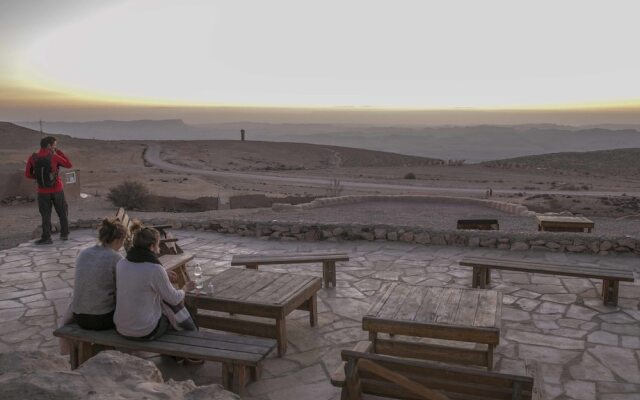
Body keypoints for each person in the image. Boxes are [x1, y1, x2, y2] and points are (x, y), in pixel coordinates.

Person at [114, 223, 195, 340]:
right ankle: (181, 351)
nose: (158, 249)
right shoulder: (155, 269)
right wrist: (185, 288)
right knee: (174, 313)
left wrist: (164, 273)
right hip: (144, 331)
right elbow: (174, 299)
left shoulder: (121, 264)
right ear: (152, 246)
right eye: (158, 245)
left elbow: (140, 275)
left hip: (122, 327)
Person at [71, 218, 127, 330]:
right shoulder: (116, 258)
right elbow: (122, 289)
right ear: (118, 240)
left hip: (78, 317)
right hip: (101, 318)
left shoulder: (84, 253)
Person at [25, 135, 73, 244]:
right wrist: (59, 152)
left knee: (45, 215)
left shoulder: (33, 158)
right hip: (57, 189)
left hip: (42, 191)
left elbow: (27, 174)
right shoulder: (54, 157)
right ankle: (64, 234)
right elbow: (69, 165)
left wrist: (37, 178)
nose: (55, 147)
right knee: (62, 212)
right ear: (48, 145)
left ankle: (46, 238)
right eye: (54, 145)